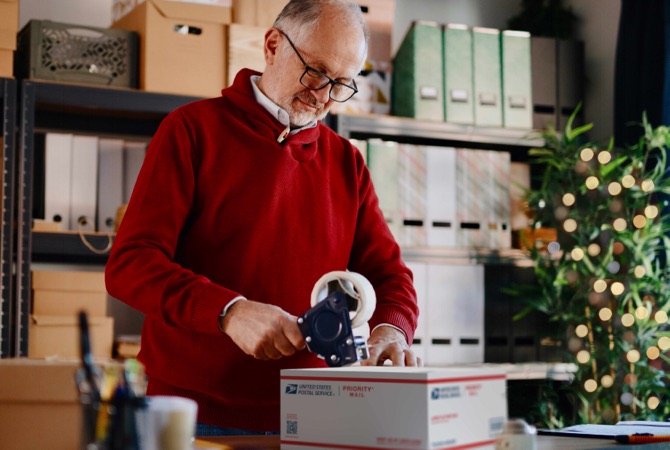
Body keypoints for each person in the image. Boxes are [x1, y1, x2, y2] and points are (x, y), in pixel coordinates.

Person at [105, 0, 419, 435]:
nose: (325, 96)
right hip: (193, 416)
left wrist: (391, 331)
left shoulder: (347, 162)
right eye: (316, 72)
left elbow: (391, 277)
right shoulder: (191, 131)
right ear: (273, 45)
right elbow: (130, 265)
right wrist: (228, 311)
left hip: (316, 413)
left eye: (342, 84)